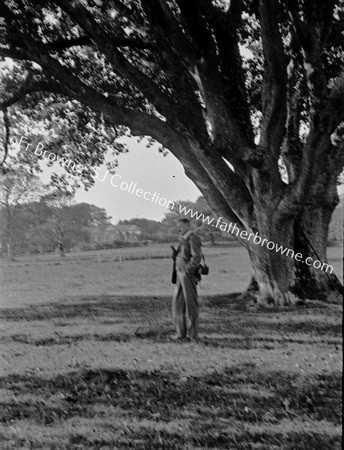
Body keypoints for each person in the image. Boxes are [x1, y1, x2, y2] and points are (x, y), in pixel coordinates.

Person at [171, 218, 202, 341]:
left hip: (187, 274)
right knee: (177, 303)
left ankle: (193, 334)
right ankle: (180, 334)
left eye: (181, 226)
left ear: (188, 225)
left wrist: (188, 270)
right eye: (177, 226)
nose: (179, 228)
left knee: (191, 305)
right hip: (179, 273)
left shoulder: (192, 237)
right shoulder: (183, 238)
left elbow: (196, 256)